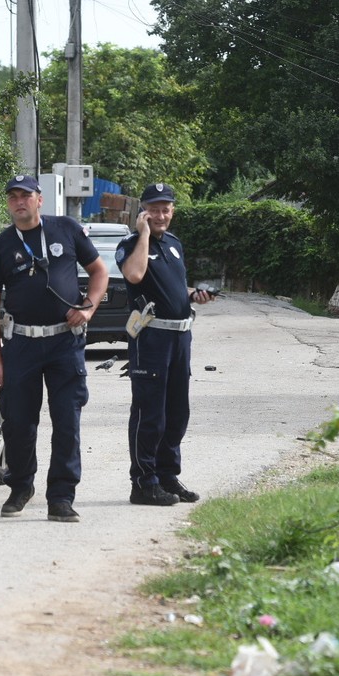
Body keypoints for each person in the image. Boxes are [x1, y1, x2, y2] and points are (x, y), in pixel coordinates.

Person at [0, 175, 108, 522]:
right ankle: (20, 486)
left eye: (26, 195)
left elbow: (99, 272)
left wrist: (88, 307)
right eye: (13, 197)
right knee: (18, 423)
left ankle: (62, 497)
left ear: (39, 199)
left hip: (64, 343)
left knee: (67, 420)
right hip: (20, 344)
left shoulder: (66, 229)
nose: (19, 202)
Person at [118, 182, 217, 507]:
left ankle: (167, 476)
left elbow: (174, 286)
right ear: (143, 211)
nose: (160, 215)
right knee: (150, 414)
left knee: (177, 413)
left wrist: (193, 294)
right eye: (154, 209)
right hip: (152, 339)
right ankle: (143, 483)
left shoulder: (174, 244)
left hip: (179, 337)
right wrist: (143, 234)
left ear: (173, 211)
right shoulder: (131, 245)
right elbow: (134, 275)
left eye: (166, 209)